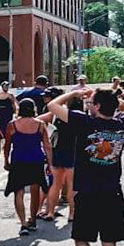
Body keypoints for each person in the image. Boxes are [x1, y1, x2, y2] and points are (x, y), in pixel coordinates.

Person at [47, 87, 124, 246]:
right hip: (112, 192)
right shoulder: (122, 123)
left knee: (81, 239)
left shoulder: (85, 123)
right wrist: (116, 98)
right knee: (110, 245)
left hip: (86, 191)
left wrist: (76, 93)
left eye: (91, 102)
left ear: (96, 107)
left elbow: (52, 106)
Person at [4, 99, 50, 237]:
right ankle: (33, 219)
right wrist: (51, 164)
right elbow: (47, 146)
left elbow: (7, 145)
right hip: (36, 160)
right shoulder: (40, 125)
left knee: (19, 191)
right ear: (33, 109)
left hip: (18, 160)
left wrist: (6, 160)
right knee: (35, 189)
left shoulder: (12, 125)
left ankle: (23, 223)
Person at [41, 89, 78, 223]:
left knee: (56, 184)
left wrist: (47, 131)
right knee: (71, 184)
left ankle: (50, 211)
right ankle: (72, 214)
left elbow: (38, 120)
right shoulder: (73, 114)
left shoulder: (54, 114)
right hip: (72, 150)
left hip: (57, 150)